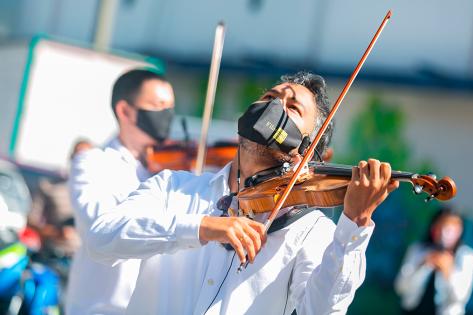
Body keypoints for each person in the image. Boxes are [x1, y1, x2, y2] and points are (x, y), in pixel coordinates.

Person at [87, 71, 399, 314]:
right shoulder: (173, 187)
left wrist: (354, 223)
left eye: (292, 107)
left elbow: (321, 311)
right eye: (269, 97)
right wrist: (203, 227)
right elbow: (100, 239)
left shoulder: (311, 230)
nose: (274, 107)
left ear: (308, 147)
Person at [65, 69, 175, 315]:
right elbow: (102, 228)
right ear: (125, 111)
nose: (167, 115)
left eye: (170, 107)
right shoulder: (93, 163)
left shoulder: (174, 167)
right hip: (102, 309)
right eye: (158, 106)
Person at [395, 207, 473, 315]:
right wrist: (423, 265)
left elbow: (460, 297)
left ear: (460, 231)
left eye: (451, 228)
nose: (444, 233)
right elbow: (400, 287)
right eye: (440, 226)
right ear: (433, 228)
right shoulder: (418, 250)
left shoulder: (467, 256)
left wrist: (448, 271)